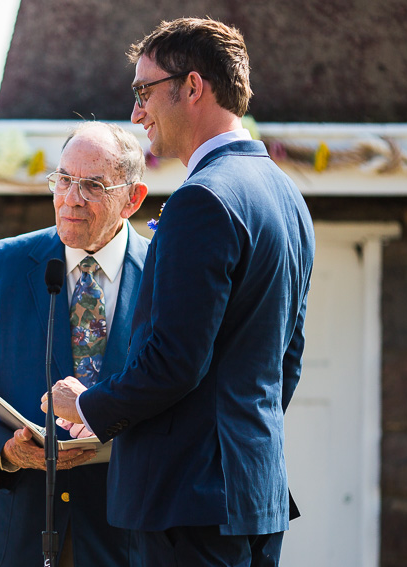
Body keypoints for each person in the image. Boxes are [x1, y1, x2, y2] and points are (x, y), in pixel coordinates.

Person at [47, 18, 316, 567]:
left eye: (144, 91)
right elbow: (287, 356)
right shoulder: (287, 196)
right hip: (254, 495)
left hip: (189, 507)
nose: (136, 112)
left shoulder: (203, 199)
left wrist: (89, 405)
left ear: (193, 87)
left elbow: (175, 359)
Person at [0, 121, 150, 567]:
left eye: (92, 185)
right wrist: (7, 452)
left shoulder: (164, 273)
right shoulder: (4, 265)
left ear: (132, 199)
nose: (71, 198)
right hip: (14, 535)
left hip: (126, 539)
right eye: (64, 179)